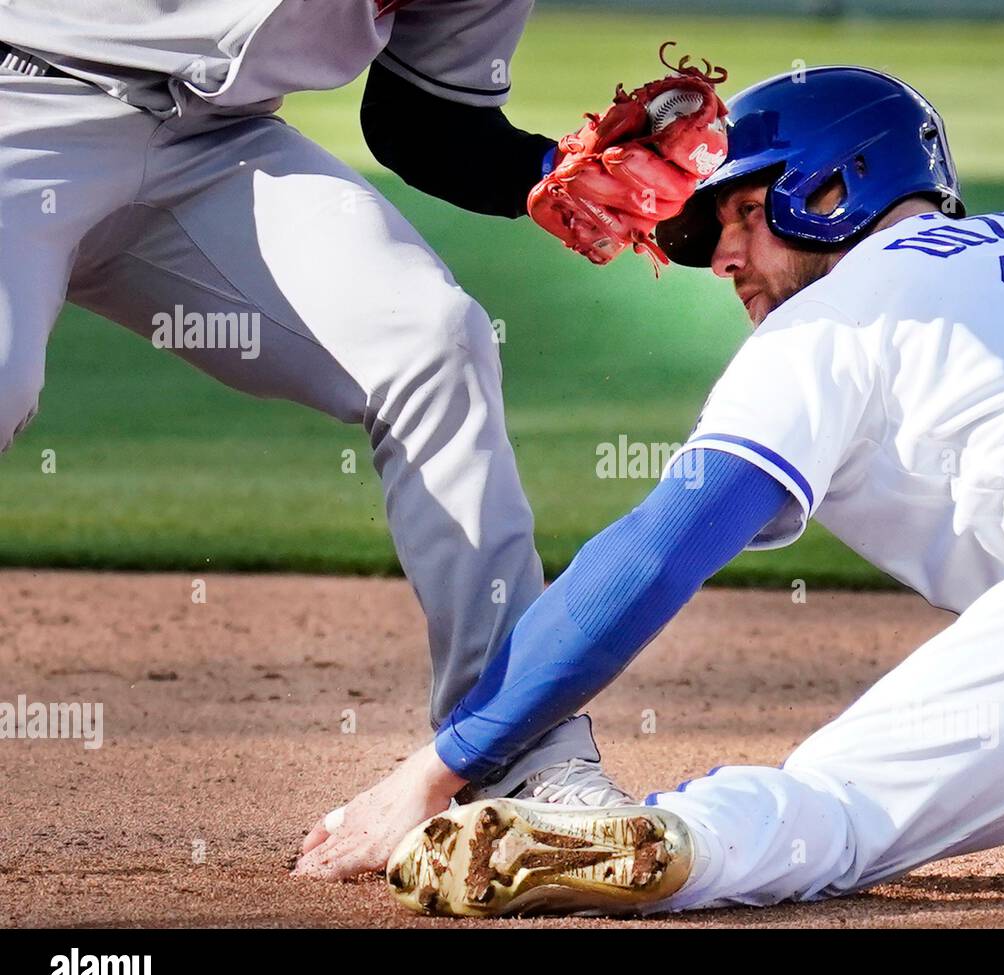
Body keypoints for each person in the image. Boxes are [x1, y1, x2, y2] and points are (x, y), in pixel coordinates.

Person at [382, 65, 1004, 917]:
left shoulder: (829, 317)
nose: (722, 260)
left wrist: (439, 767)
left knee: (837, 808)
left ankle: (671, 840)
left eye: (741, 215)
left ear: (831, 190)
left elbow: (658, 551)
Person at [0, 0, 656, 884]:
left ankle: (517, 753)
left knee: (434, 338)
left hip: (215, 147)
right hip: (19, 101)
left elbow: (423, 117)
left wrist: (547, 172)